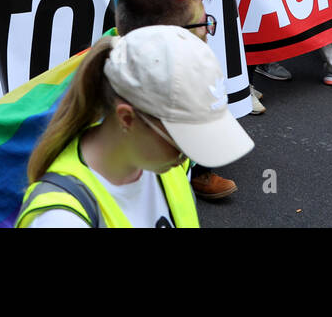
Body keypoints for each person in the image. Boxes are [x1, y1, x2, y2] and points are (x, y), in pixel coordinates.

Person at [17, 25, 252, 228]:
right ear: (127, 119)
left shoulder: (160, 164)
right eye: (182, 138)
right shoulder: (60, 219)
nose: (188, 155)